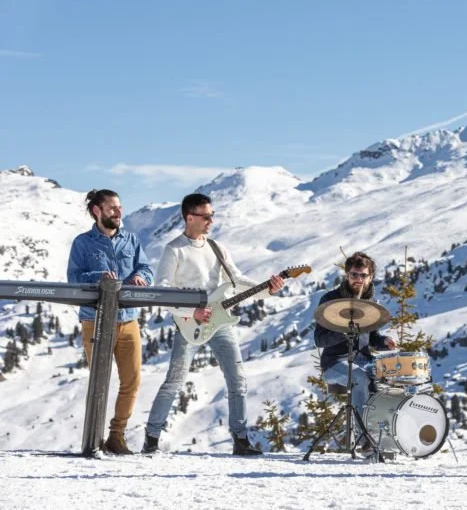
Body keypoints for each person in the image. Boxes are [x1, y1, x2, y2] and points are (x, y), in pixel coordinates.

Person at [142, 193, 284, 455]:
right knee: (174, 382)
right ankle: (151, 440)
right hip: (189, 325)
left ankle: (240, 440)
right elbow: (162, 291)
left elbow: (236, 280)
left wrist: (268, 290)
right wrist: (191, 312)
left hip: (221, 323)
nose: (211, 220)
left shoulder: (217, 247)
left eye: (212, 215)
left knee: (237, 380)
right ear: (190, 218)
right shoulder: (174, 249)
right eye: (206, 216)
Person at [67, 189, 153, 455]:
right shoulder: (82, 243)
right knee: (99, 382)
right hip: (95, 321)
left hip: (128, 320)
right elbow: (73, 279)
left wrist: (141, 277)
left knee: (132, 381)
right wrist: (99, 276)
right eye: (112, 207)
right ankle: (94, 439)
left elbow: (146, 268)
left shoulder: (131, 240)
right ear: (97, 211)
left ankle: (117, 436)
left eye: (120, 207)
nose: (118, 212)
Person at [314, 252, 396, 429]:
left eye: (363, 275)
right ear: (347, 275)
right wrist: (344, 332)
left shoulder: (371, 303)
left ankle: (387, 433)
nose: (358, 279)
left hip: (364, 361)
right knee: (360, 376)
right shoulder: (330, 300)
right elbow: (319, 340)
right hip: (335, 363)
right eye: (354, 274)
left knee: (391, 376)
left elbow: (372, 337)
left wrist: (383, 342)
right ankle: (364, 436)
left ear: (370, 277)